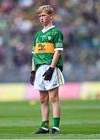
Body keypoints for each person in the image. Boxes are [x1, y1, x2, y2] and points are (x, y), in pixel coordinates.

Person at [30, 5, 65, 134]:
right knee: (42, 99)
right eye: (39, 16)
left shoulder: (56, 32)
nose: (41, 18)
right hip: (39, 69)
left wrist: (51, 68)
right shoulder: (38, 35)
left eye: (44, 15)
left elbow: (58, 52)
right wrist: (33, 71)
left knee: (54, 98)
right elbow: (34, 55)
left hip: (50, 67)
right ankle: (44, 126)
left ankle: (55, 127)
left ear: (51, 16)